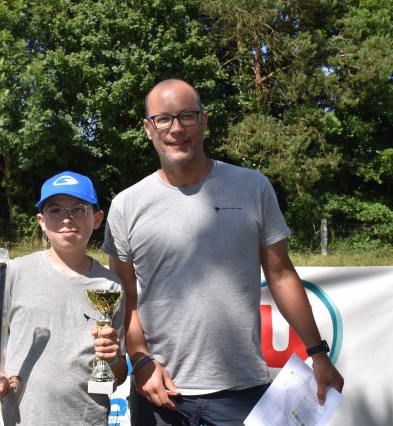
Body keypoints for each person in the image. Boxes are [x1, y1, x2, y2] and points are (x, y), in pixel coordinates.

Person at [102, 79, 344, 425]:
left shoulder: (252, 187)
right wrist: (139, 361)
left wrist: (318, 353)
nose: (176, 129)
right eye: (163, 119)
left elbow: (280, 275)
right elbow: (126, 296)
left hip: (243, 391)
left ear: (204, 121)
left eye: (187, 116)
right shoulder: (127, 205)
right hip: (160, 393)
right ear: (148, 128)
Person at [0, 171, 127, 425]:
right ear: (41, 220)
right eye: (55, 210)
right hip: (19, 419)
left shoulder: (110, 286)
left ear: (97, 219)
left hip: (86, 419)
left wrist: (111, 358)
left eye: (78, 209)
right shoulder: (16, 272)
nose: (67, 219)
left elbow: (119, 372)